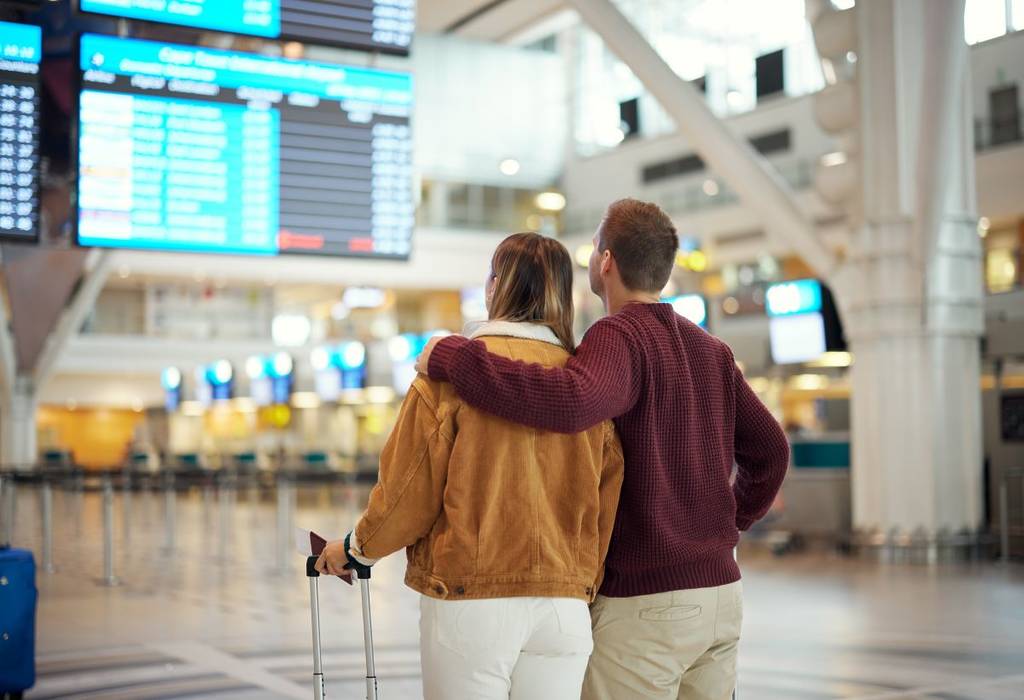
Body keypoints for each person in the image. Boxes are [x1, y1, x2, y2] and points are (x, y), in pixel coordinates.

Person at [416, 199, 790, 700]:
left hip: (649, 601)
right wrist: (725, 526)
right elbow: (771, 451)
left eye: (594, 248)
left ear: (606, 261)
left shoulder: (618, 335)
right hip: (720, 593)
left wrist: (457, 356)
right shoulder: (711, 350)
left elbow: (572, 401)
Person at [316, 232, 624, 700]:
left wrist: (356, 549)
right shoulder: (585, 386)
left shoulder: (447, 378)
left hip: (471, 602)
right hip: (564, 609)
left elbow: (407, 493)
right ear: (564, 297)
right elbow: (606, 502)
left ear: (493, 287)